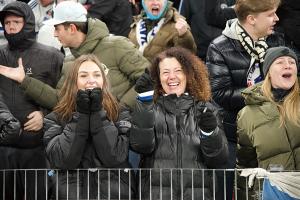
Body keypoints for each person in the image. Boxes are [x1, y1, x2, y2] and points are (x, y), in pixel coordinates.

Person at [0, 1, 149, 111]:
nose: (54, 34)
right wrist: (25, 81)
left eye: (57, 29)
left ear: (71, 28)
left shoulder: (117, 45)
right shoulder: (70, 60)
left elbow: (150, 78)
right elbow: (60, 100)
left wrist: (120, 109)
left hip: (124, 135)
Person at [205, 0, 284, 198]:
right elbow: (220, 93)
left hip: (273, 134)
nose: (277, 19)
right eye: (271, 14)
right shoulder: (219, 47)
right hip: (233, 135)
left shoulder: (277, 42)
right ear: (251, 19)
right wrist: (263, 92)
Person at [130, 47, 228, 199]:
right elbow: (141, 146)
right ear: (157, 78)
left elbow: (219, 159)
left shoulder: (206, 109)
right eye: (165, 72)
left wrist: (209, 133)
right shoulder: (148, 108)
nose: (172, 77)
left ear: (189, 74)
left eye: (178, 71)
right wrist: (144, 100)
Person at [44, 54, 135, 199]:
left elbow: (115, 156)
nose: (91, 80)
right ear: (74, 81)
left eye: (97, 75)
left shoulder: (121, 113)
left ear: (103, 81)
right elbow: (64, 160)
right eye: (84, 75)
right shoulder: (55, 118)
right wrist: (81, 114)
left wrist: (98, 112)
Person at [0, 1, 63, 199]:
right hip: (3, 150)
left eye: (16, 22)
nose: (11, 26)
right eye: (7, 22)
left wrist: (45, 116)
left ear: (27, 23)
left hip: (38, 149)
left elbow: (65, 100)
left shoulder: (52, 56)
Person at [237, 46, 300, 199]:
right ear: (268, 73)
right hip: (275, 191)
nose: (288, 65)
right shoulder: (247, 115)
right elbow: (245, 166)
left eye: (292, 62)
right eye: (280, 62)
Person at [128, 0, 196, 62]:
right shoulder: (137, 23)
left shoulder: (178, 25)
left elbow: (188, 58)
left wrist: (184, 36)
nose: (155, 3)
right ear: (143, 3)